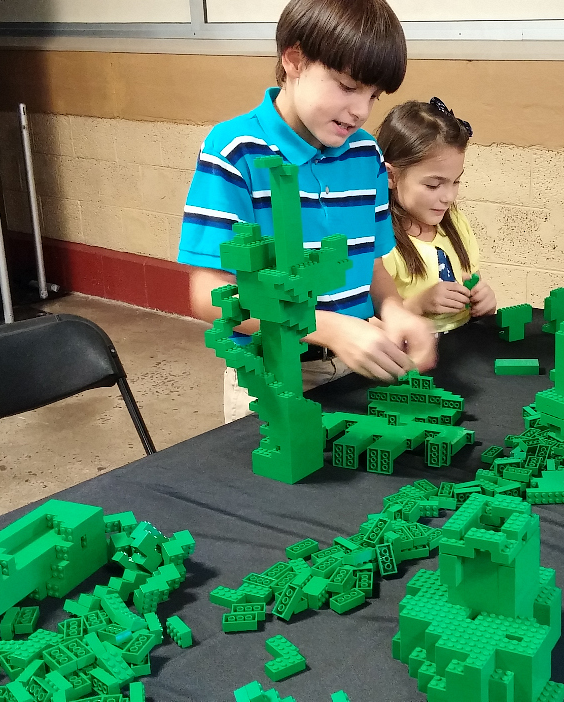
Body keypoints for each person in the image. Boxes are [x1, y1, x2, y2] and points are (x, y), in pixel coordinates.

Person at [177, 0, 436, 423]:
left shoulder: (366, 154)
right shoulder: (235, 152)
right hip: (274, 375)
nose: (361, 111)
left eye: (373, 96)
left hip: (355, 368)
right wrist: (329, 328)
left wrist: (394, 310)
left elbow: (371, 265)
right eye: (348, 87)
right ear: (295, 60)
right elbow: (210, 296)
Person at [377, 98, 497, 333]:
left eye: (456, 181)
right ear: (390, 176)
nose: (449, 197)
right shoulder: (379, 243)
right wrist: (418, 304)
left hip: (464, 342)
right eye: (433, 185)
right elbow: (366, 325)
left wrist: (484, 300)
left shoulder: (456, 223)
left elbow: (472, 277)